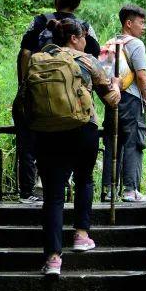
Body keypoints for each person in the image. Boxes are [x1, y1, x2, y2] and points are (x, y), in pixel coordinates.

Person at [30, 17, 120, 275]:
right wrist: (115, 86)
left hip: (48, 132)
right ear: (74, 38)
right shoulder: (87, 61)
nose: (85, 42)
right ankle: (81, 236)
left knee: (54, 195)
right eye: (83, 38)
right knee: (83, 180)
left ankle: (53, 259)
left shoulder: (41, 58)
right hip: (83, 129)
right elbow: (112, 101)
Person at [12, 0, 101, 204]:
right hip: (73, 98)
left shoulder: (40, 21)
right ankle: (65, 187)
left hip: (38, 90)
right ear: (77, 3)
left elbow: (24, 54)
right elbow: (94, 57)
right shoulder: (84, 27)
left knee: (28, 140)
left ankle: (27, 192)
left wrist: (24, 85)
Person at [100, 3, 146, 202]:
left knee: (113, 142)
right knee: (133, 141)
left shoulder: (110, 43)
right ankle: (130, 190)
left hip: (112, 99)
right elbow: (142, 76)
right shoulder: (136, 44)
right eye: (141, 22)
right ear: (128, 23)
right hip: (131, 99)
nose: (143, 26)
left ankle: (108, 190)